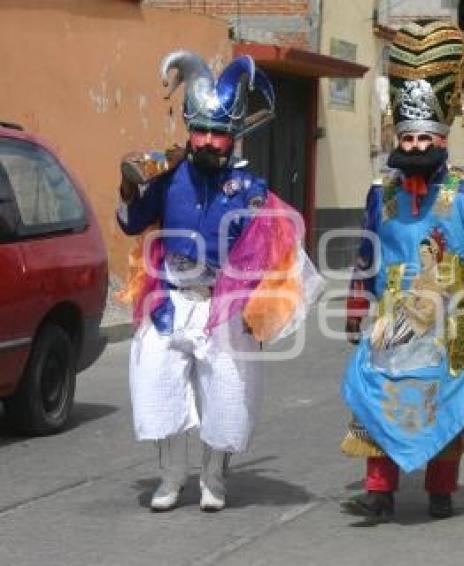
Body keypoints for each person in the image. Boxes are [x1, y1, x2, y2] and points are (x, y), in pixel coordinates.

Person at [116, 51, 321, 512]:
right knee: (156, 386)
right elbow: (132, 224)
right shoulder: (166, 179)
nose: (208, 141)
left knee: (228, 396)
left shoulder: (252, 191)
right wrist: (130, 189)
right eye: (200, 130)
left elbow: (273, 253)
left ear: (235, 135)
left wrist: (259, 309)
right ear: (189, 127)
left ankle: (213, 478)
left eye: (219, 133)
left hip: (226, 308)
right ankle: (170, 479)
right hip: (170, 300)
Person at [338, 20, 464, 521]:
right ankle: (379, 491)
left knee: (443, 405)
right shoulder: (382, 193)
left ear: (441, 138)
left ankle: (442, 490)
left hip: (452, 323)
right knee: (379, 402)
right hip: (395, 321)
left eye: (424, 136)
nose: (416, 145)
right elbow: (366, 254)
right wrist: (357, 304)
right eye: (408, 136)